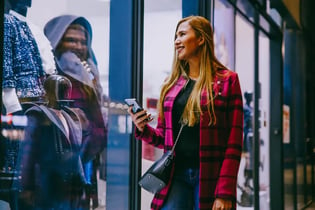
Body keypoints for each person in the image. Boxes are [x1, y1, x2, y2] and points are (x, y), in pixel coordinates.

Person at [127, 16, 243, 210]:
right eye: (175, 36)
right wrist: (143, 128)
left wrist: (224, 193)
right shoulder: (171, 85)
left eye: (182, 34)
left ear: (200, 39)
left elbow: (233, 143)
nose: (176, 41)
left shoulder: (227, 81)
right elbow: (164, 139)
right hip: (175, 176)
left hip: (210, 176)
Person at [43, 15, 107, 209]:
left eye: (83, 42)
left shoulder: (90, 72)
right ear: (58, 39)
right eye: (71, 40)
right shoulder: (50, 73)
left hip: (88, 157)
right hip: (62, 159)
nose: (78, 46)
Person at [18, 75, 88, 209]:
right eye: (61, 90)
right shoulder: (37, 115)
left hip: (69, 186)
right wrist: (26, 188)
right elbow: (27, 155)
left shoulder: (70, 117)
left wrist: (82, 181)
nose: (65, 95)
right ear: (49, 91)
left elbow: (75, 153)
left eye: (66, 91)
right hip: (46, 186)